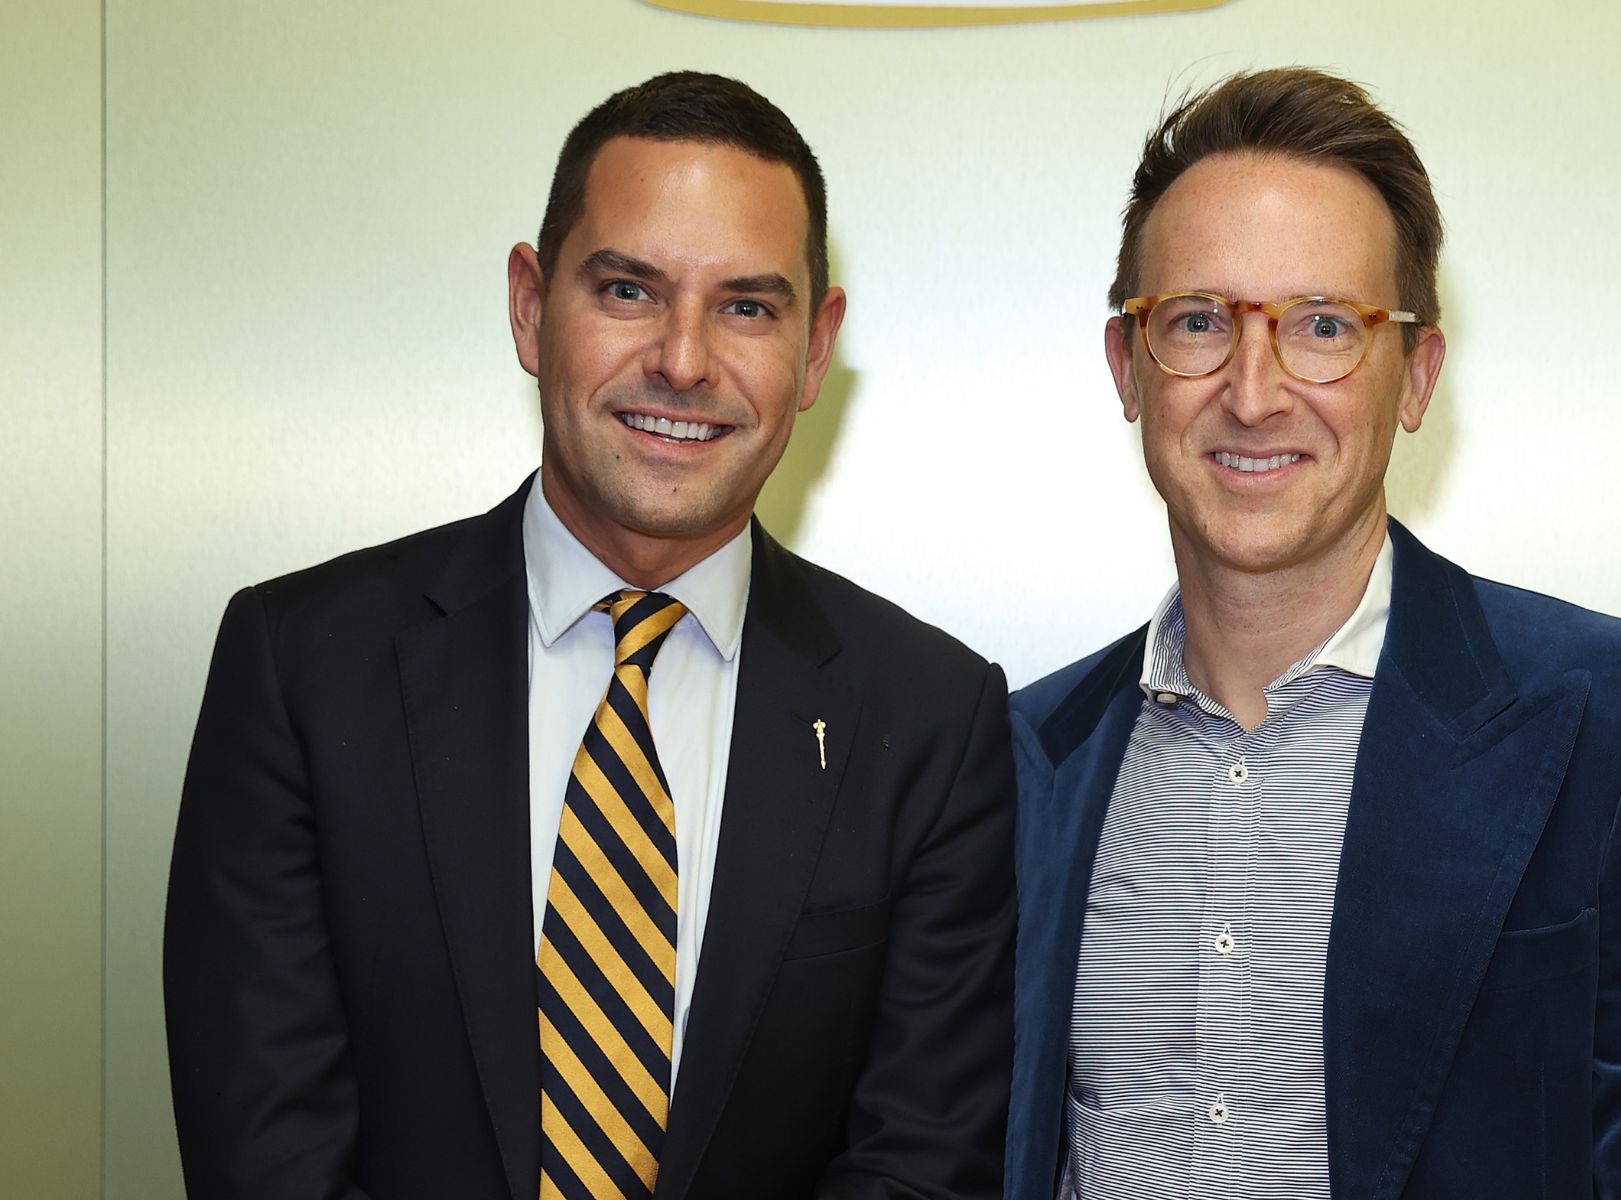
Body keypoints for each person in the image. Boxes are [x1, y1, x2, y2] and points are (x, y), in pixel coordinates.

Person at [164, 71, 1014, 1200]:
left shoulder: (930, 716)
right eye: (628, 290)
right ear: (529, 304)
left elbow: (919, 1161)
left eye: (748, 307)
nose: (682, 360)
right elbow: (266, 1148)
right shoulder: (301, 667)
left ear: (816, 350)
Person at [1006, 68, 1621, 1199]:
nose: (1252, 391)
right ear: (1127, 367)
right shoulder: (1013, 760)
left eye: (1323, 326)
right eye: (1195, 323)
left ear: (1415, 374)